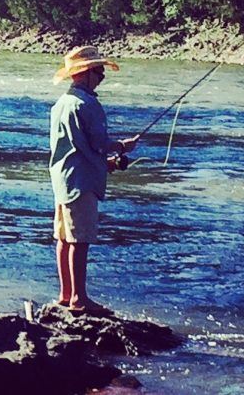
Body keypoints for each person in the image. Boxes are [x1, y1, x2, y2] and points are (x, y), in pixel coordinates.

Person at [48, 45, 139, 313]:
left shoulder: (61, 104)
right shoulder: (87, 105)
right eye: (99, 71)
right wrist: (122, 146)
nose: (102, 77)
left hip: (63, 179)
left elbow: (75, 147)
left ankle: (65, 294)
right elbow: (99, 143)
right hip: (82, 184)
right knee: (80, 240)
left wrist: (105, 164)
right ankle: (79, 299)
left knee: (64, 239)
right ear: (86, 73)